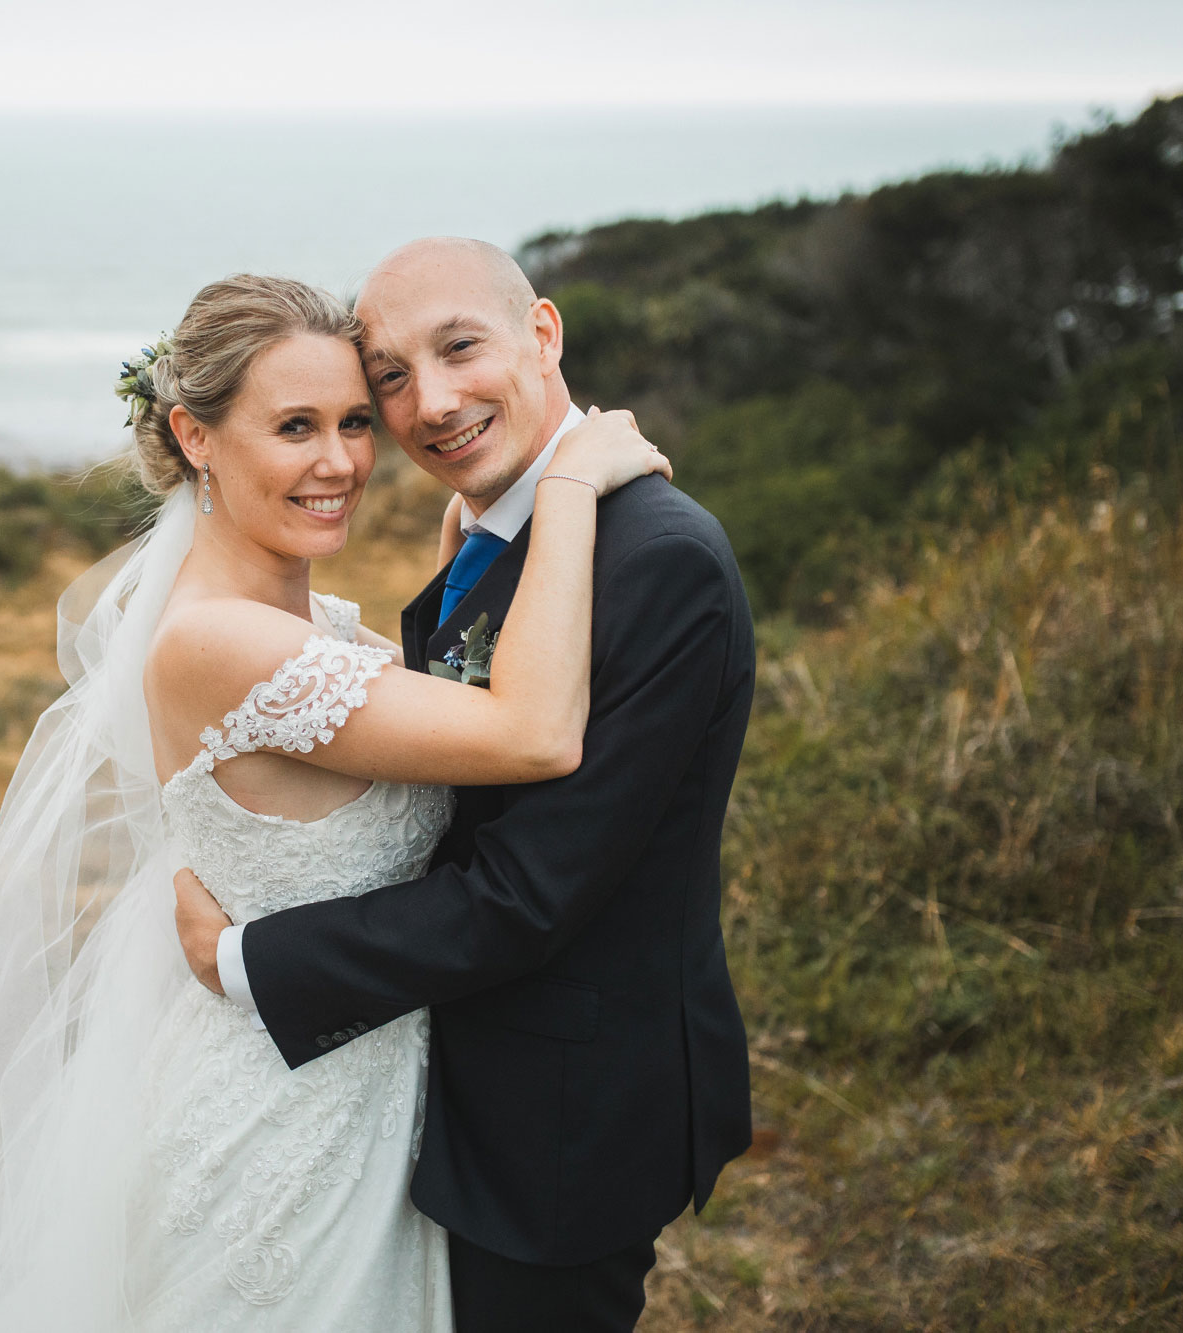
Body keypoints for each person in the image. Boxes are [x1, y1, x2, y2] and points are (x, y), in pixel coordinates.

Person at [0, 271, 668, 1331]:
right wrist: (562, 487)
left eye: (350, 422)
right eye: (293, 426)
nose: (338, 463)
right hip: (281, 1132)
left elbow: (436, 711)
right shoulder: (221, 641)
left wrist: (473, 538)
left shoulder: (311, 627)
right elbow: (530, 733)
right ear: (194, 437)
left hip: (367, 1102)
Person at [171, 238, 757, 1333]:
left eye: (458, 349)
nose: (427, 403)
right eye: (388, 377)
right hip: (435, 1096)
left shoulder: (654, 557)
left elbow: (526, 891)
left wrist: (249, 958)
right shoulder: (498, 535)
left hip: (561, 1122)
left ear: (541, 335)